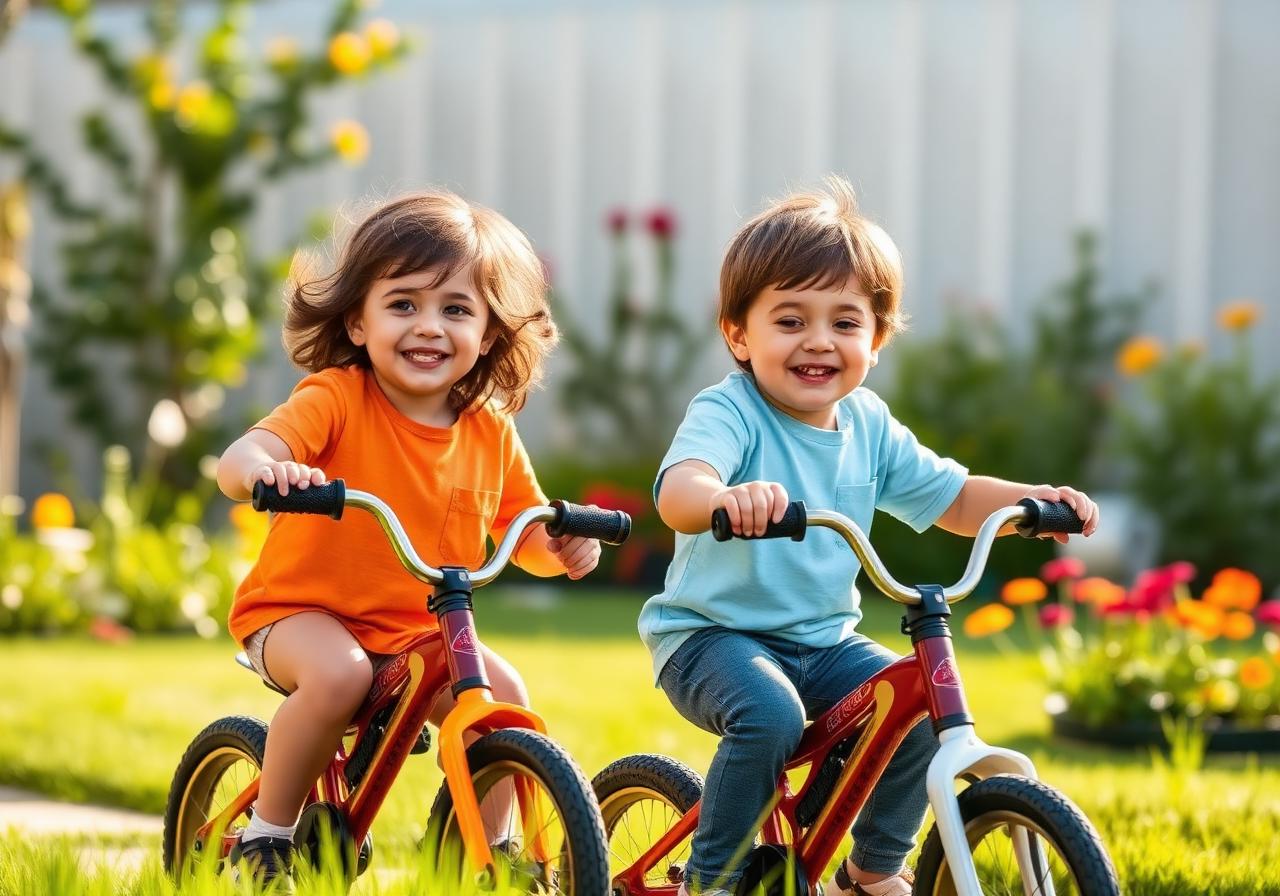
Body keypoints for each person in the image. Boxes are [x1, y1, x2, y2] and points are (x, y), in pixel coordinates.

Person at [642, 176, 1099, 896]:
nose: (819, 341)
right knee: (769, 716)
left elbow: (954, 497)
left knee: (914, 708)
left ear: (876, 339)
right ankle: (713, 880)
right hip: (711, 637)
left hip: (823, 642)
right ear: (739, 334)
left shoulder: (869, 424)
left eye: (845, 322)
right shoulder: (730, 411)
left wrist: (1031, 501)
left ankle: (871, 870)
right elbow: (679, 491)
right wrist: (723, 498)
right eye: (790, 320)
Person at [216, 190, 603, 891]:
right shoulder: (336, 397)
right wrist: (266, 471)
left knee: (503, 692)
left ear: (489, 333)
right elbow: (241, 458)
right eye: (403, 304)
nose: (429, 326)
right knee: (340, 675)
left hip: (416, 630)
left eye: (456, 309)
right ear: (358, 321)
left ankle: (488, 856)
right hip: (298, 613)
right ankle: (266, 837)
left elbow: (524, 528)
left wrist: (559, 549)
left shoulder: (489, 428)